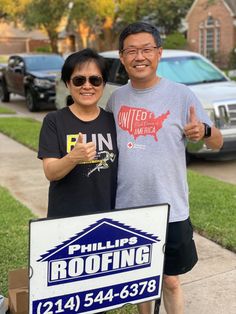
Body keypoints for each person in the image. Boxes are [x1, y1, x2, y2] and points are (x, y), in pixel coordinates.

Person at [106, 22, 223, 314]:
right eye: (131, 51)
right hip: (128, 208)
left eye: (146, 49)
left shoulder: (182, 95)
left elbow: (217, 142)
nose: (139, 56)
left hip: (171, 207)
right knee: (141, 281)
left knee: (170, 280)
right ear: (122, 57)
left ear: (159, 53)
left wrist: (204, 132)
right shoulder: (115, 100)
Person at [38, 48, 118, 220]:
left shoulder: (113, 121)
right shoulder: (54, 121)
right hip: (65, 219)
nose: (87, 86)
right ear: (68, 83)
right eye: (79, 80)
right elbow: (51, 173)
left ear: (103, 84)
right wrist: (73, 157)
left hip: (107, 217)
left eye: (95, 80)